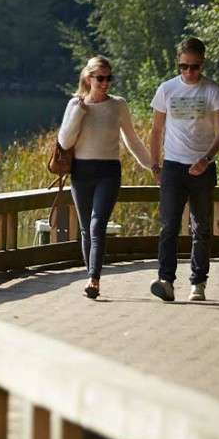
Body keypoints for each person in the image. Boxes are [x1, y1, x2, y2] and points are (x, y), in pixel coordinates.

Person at [57, 56, 152, 299]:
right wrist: (79, 111)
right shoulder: (74, 105)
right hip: (81, 172)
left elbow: (132, 139)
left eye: (109, 78)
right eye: (100, 78)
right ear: (88, 78)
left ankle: (94, 279)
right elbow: (65, 141)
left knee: (98, 224)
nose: (105, 82)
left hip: (108, 171)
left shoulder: (118, 105)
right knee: (86, 229)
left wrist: (152, 166)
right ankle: (91, 273)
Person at [148, 37, 219, 302]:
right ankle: (166, 281)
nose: (189, 72)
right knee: (169, 225)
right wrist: (154, 164)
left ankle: (198, 282)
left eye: (194, 67)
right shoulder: (167, 89)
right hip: (172, 166)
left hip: (203, 168)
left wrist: (206, 158)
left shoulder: (213, 91)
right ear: (178, 64)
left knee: (201, 227)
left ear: (202, 63)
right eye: (184, 66)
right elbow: (157, 130)